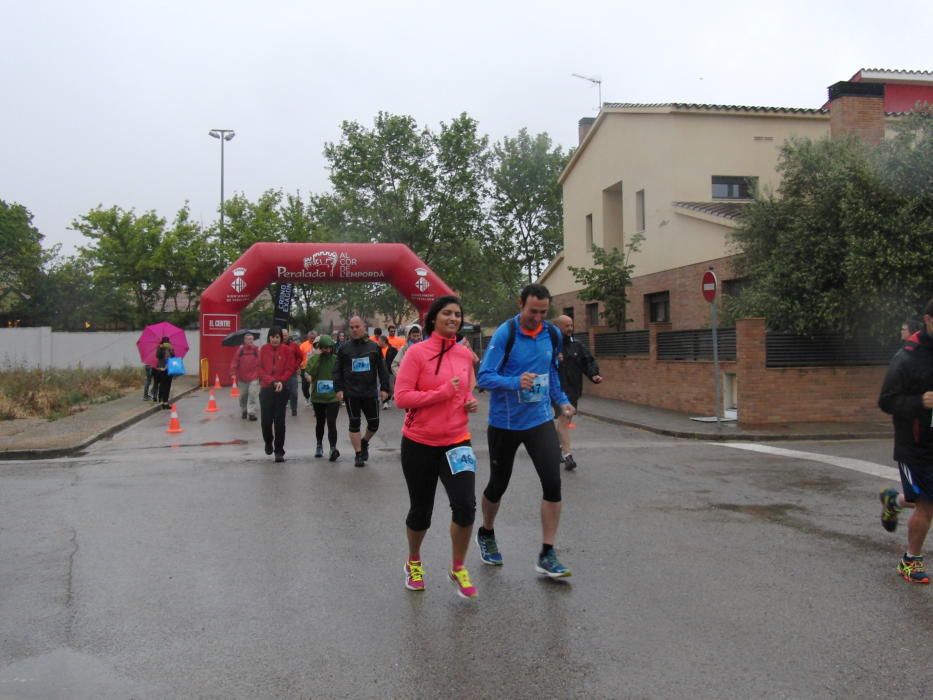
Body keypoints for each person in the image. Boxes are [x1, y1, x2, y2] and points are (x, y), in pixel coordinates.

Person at [475, 283, 576, 578]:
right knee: (498, 484)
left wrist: (563, 401)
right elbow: (484, 377)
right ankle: (487, 532)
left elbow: (551, 373)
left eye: (543, 312)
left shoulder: (552, 334)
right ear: (521, 304)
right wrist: (514, 381)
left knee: (552, 482)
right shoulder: (506, 334)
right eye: (533, 311)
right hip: (505, 423)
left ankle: (547, 552)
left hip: (539, 420)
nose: (537, 317)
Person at [394, 295, 480, 598]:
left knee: (466, 506)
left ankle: (458, 567)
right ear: (433, 318)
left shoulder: (465, 354)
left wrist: (468, 401)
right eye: (447, 313)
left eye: (457, 314)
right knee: (421, 511)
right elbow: (402, 397)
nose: (453, 318)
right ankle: (414, 561)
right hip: (419, 442)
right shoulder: (416, 353)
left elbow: (465, 391)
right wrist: (442, 393)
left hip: (457, 441)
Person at [878, 298, 933, 584]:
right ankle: (910, 561)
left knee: (925, 500)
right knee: (926, 505)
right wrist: (919, 402)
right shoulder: (907, 357)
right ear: (929, 320)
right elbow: (886, 401)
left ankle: (894, 500)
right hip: (915, 446)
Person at [334, 315, 390, 468]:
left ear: (364, 327)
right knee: (354, 423)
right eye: (352, 327)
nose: (354, 330)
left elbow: (382, 369)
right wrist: (338, 388)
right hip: (351, 393)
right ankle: (358, 454)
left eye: (357, 327)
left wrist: (385, 388)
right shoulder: (344, 348)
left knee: (374, 424)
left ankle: (364, 442)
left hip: (370, 392)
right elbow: (337, 370)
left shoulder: (374, 347)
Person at [553, 315, 603, 471]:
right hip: (556, 390)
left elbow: (588, 361)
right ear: (558, 327)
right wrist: (554, 358)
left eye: (571, 325)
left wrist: (593, 374)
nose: (570, 329)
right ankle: (568, 455)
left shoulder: (577, 346)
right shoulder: (551, 346)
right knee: (563, 420)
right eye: (566, 326)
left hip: (573, 389)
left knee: (565, 422)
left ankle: (557, 449)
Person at [259, 327, 296, 463]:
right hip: (266, 389)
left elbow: (289, 368)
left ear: (281, 338)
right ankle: (268, 441)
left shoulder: (286, 350)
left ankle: (279, 451)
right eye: (273, 337)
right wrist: (272, 381)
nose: (275, 339)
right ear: (269, 337)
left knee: (280, 422)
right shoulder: (263, 349)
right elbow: (260, 369)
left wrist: (281, 381)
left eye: (278, 337)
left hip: (281, 390)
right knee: (266, 421)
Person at [306, 334, 341, 462]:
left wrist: (341, 390)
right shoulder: (314, 358)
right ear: (319, 348)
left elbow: (340, 375)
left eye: (329, 348)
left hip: (333, 397)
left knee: (331, 422)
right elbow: (311, 372)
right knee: (320, 422)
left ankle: (333, 448)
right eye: (324, 348)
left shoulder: (336, 359)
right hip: (318, 398)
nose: (327, 350)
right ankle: (319, 445)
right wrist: (317, 357)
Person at [230, 332, 261, 421]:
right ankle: (244, 410)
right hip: (242, 378)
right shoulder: (240, 351)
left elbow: (262, 362)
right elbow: (234, 362)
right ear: (244, 341)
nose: (251, 341)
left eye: (252, 339)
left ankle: (251, 413)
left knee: (253, 394)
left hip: (254, 377)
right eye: (249, 339)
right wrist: (233, 372)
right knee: (243, 395)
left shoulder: (256, 350)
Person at [151, 336, 175, 410]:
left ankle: (166, 402)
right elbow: (158, 356)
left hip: (169, 370)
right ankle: (161, 400)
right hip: (161, 370)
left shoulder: (170, 349)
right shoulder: (160, 349)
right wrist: (161, 347)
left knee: (168, 386)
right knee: (162, 385)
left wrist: (171, 350)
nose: (167, 343)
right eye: (166, 342)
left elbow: (174, 357)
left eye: (168, 342)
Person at [284, 332, 304, 417]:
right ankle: (282, 407)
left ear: (288, 336)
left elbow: (300, 356)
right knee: (282, 392)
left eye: (285, 335)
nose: (284, 337)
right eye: (282, 335)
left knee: (294, 392)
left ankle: (294, 409)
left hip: (292, 373)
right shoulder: (277, 346)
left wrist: (296, 365)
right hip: (281, 373)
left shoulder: (294, 346)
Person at [299, 330, 318, 405]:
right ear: (308, 337)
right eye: (311, 338)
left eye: (314, 338)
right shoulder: (303, 345)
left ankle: (314, 399)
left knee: (315, 385)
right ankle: (307, 397)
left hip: (316, 368)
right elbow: (299, 356)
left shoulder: (318, 345)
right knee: (304, 386)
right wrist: (300, 364)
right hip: (305, 368)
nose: (313, 339)